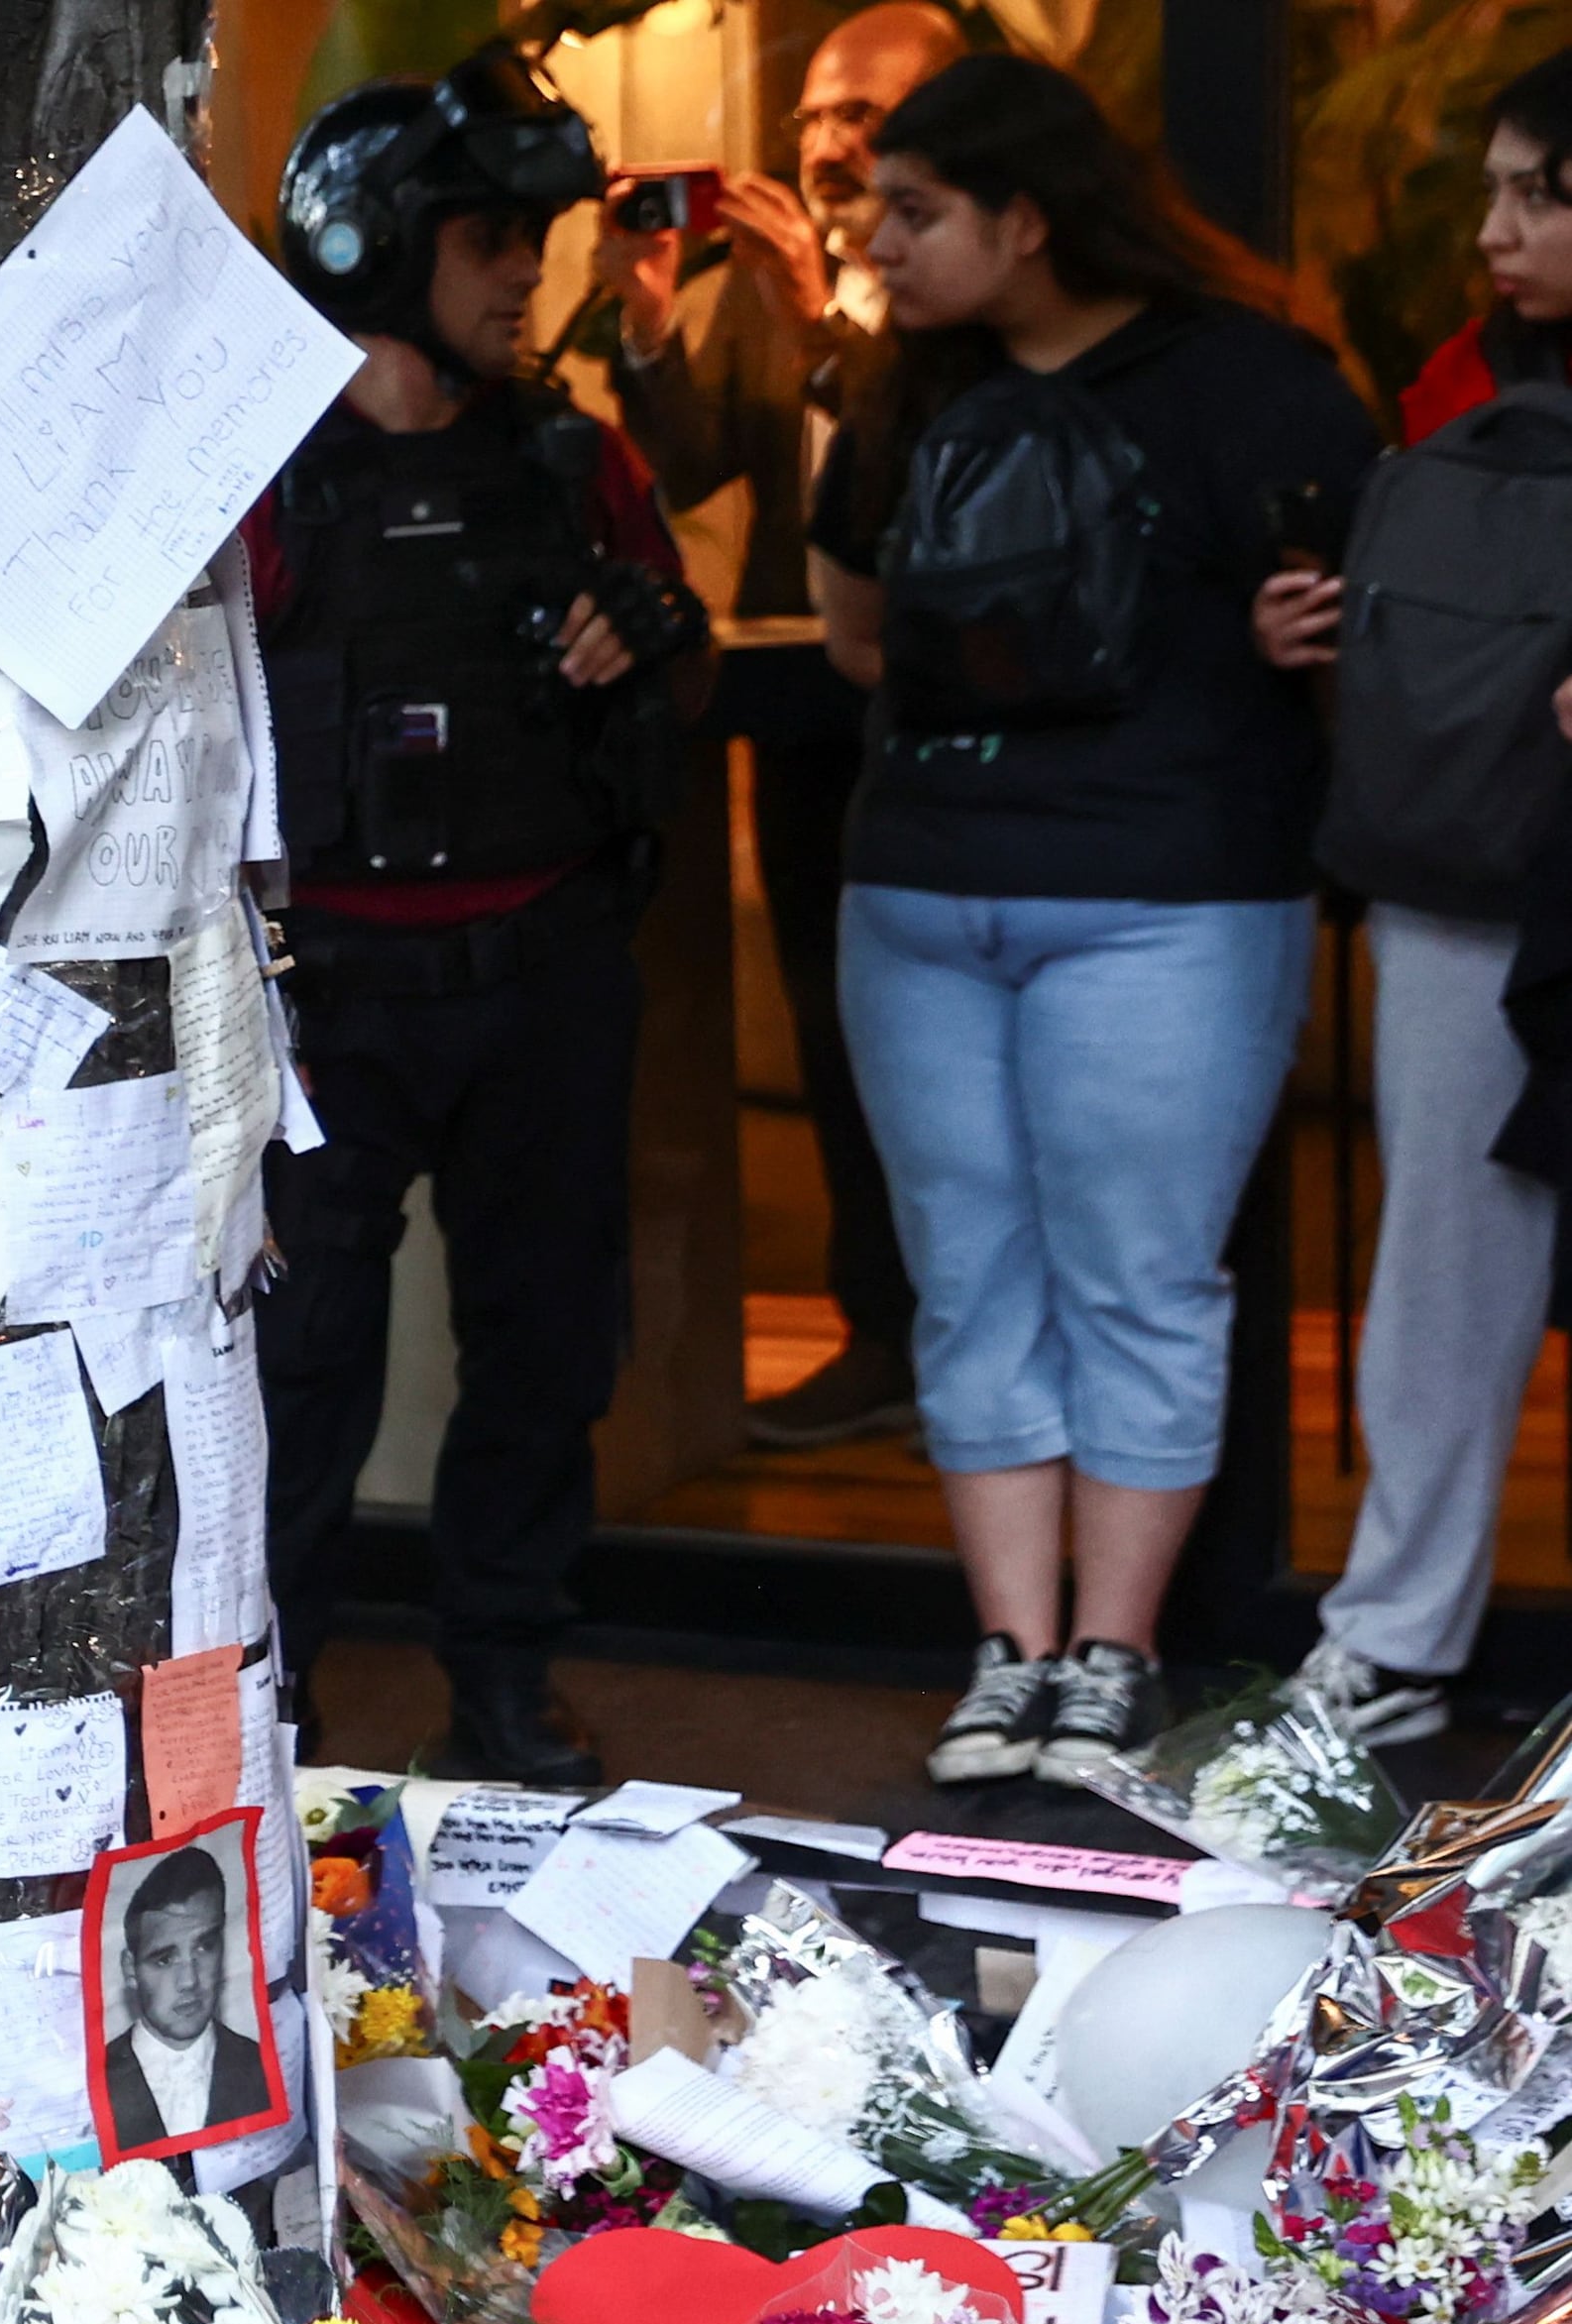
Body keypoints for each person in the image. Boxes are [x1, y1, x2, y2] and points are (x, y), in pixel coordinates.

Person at [807, 55, 1378, 1787]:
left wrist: (1313, 636)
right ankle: (1013, 1651)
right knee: (968, 1279)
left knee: (1135, 1274)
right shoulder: (903, 392)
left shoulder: (1253, 383)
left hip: (1166, 901)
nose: (880, 244)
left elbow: (1367, 609)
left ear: (1027, 219)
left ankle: (1112, 1655)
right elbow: (845, 624)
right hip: (918, 896)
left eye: (918, 213)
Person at [254, 47, 708, 1791]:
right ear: (379, 248)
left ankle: (503, 1680)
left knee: (545, 1344)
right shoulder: (267, 484)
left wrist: (641, 648)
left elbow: (670, 700)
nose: (528, 271)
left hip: (545, 981)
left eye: (533, 236)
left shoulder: (575, 463)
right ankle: (270, 1696)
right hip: (332, 998)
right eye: (489, 237)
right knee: (306, 1366)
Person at [597, 1, 965, 1454]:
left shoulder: (950, 303)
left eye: (863, 118)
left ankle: (962, 1338)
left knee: (936, 1042)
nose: (825, 147)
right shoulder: (761, 288)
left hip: (938, 711)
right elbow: (696, 467)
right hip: (804, 707)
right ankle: (882, 1333)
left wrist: (823, 320)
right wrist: (644, 319)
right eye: (813, 117)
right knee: (830, 1024)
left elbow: (932, 472)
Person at [1270, 53, 1572, 1751]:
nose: (1496, 229)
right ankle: (1392, 1632)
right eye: (1494, 190)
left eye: (1540, 192)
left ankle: (1394, 1634)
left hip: (1476, 882)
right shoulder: (1460, 381)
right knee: (1445, 1262)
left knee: (1446, 1258)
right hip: (1472, 874)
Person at [99, 1838, 272, 2157]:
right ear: (130, 1969)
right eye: (164, 1959)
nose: (190, 1981)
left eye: (205, 1947)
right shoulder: (94, 2077)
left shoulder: (262, 2065)